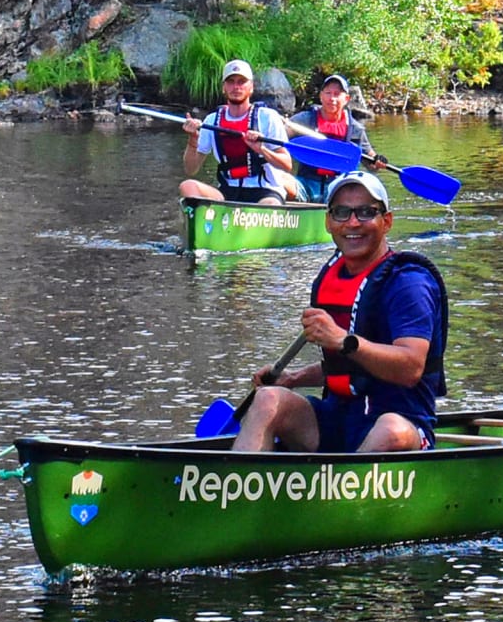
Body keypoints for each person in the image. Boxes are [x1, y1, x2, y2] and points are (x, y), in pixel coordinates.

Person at [231, 171, 449, 453]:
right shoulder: (331, 279)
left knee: (390, 430)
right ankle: (242, 488)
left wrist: (343, 341)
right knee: (268, 400)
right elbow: (349, 368)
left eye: (366, 212)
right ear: (328, 222)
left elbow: (411, 368)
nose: (353, 222)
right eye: (342, 212)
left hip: (403, 426)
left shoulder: (408, 283)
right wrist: (293, 379)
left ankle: (340, 493)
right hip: (339, 419)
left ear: (387, 222)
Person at [180, 60, 296, 204]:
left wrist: (262, 150)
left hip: (264, 190)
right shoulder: (211, 121)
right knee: (188, 186)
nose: (236, 87)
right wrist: (193, 140)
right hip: (228, 190)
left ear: (251, 87)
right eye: (231, 82)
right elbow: (191, 169)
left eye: (241, 82)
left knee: (270, 204)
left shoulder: (267, 117)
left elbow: (287, 165)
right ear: (224, 87)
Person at [289, 72, 377, 203]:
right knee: (280, 179)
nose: (332, 98)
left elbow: (371, 163)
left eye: (337, 94)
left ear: (346, 99)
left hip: (338, 187)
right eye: (328, 93)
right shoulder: (304, 120)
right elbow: (280, 133)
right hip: (306, 184)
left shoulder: (355, 129)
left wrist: (377, 161)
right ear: (321, 96)